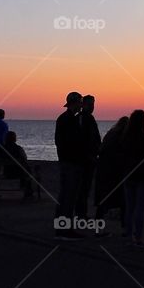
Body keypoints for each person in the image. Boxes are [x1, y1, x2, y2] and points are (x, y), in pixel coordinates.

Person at [55, 92, 85, 240]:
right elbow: (70, 142)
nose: (81, 105)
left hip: (67, 162)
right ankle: (64, 230)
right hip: (71, 163)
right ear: (75, 103)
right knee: (69, 197)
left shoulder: (65, 118)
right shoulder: (68, 120)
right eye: (80, 102)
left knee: (65, 196)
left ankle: (62, 228)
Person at [122, 109, 144, 247]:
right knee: (140, 208)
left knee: (130, 206)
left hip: (129, 174)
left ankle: (128, 234)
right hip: (142, 175)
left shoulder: (125, 136)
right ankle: (138, 237)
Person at [95, 116, 128, 229]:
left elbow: (102, 149)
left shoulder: (111, 134)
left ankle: (98, 227)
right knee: (124, 200)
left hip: (103, 170)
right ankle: (125, 227)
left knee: (103, 200)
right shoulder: (122, 136)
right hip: (115, 172)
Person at [77, 95, 101, 222]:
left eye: (93, 104)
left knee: (84, 188)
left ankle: (81, 213)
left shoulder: (88, 118)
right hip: (85, 159)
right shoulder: (83, 119)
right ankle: (81, 214)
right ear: (83, 105)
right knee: (83, 187)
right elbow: (83, 140)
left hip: (90, 158)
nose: (92, 107)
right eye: (89, 104)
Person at [2, 131, 35, 199]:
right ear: (14, 139)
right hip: (18, 173)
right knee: (27, 171)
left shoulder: (2, 149)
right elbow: (24, 158)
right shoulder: (18, 148)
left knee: (25, 170)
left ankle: (25, 189)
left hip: (6, 172)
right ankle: (28, 192)